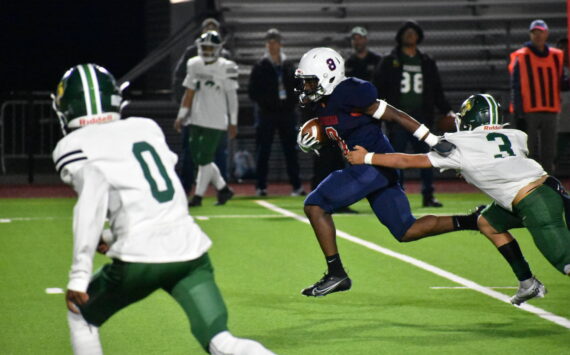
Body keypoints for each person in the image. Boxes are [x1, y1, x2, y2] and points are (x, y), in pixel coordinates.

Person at [51, 64, 275, 354]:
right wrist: (110, 238)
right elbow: (156, 193)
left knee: (80, 316)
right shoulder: (146, 128)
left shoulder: (73, 144)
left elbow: (92, 200)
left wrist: (79, 275)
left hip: (139, 259)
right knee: (222, 342)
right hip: (190, 251)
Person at [295, 47, 483, 299]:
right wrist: (320, 138)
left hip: (371, 167)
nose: (306, 87)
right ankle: (472, 220)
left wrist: (431, 139)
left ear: (328, 77)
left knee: (315, 206)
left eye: (310, 81)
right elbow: (343, 128)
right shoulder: (324, 103)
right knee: (406, 230)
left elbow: (394, 114)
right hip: (377, 170)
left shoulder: (350, 92)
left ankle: (336, 273)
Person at [347, 93, 570, 304]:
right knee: (487, 222)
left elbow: (408, 162)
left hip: (536, 205)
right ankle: (527, 282)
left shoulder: (461, 145)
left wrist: (367, 157)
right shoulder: (515, 135)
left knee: (566, 263)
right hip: (542, 191)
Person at [373, 20, 455, 207]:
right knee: (395, 156)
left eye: (413, 32)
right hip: (397, 117)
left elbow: (436, 89)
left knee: (426, 157)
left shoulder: (426, 61)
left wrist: (446, 110)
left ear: (419, 37)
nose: (410, 35)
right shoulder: (389, 60)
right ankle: (396, 195)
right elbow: (378, 86)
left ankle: (428, 195)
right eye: (407, 33)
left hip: (421, 117)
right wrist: (380, 112)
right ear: (400, 37)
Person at [310, 27, 382, 213]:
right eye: (354, 38)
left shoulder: (377, 62)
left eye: (360, 38)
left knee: (373, 157)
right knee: (340, 158)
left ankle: (380, 194)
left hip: (368, 118)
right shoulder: (348, 64)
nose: (357, 41)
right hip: (344, 119)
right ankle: (334, 197)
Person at [175, 31, 237, 207]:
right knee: (202, 159)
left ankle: (198, 197)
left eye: (211, 47)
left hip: (216, 120)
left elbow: (232, 97)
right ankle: (223, 189)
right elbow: (189, 92)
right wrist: (181, 115)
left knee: (204, 160)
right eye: (205, 47)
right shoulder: (193, 64)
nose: (207, 50)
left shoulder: (227, 66)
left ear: (218, 49)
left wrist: (233, 121)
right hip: (196, 118)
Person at [248, 28, 304, 197]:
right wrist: (266, 103)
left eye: (275, 42)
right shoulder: (260, 66)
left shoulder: (288, 65)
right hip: (267, 113)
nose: (272, 45)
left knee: (291, 151)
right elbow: (252, 91)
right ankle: (261, 186)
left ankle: (296, 186)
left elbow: (297, 87)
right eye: (269, 42)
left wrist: (290, 103)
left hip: (287, 113)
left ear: (280, 44)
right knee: (263, 150)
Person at [509, 19, 565, 174]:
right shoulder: (522, 56)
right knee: (528, 151)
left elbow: (561, 82)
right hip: (529, 111)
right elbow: (515, 85)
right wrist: (518, 112)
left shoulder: (555, 56)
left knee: (549, 153)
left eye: (541, 32)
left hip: (551, 109)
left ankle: (548, 186)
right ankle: (529, 185)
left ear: (546, 33)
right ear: (530, 34)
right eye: (535, 32)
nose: (538, 35)